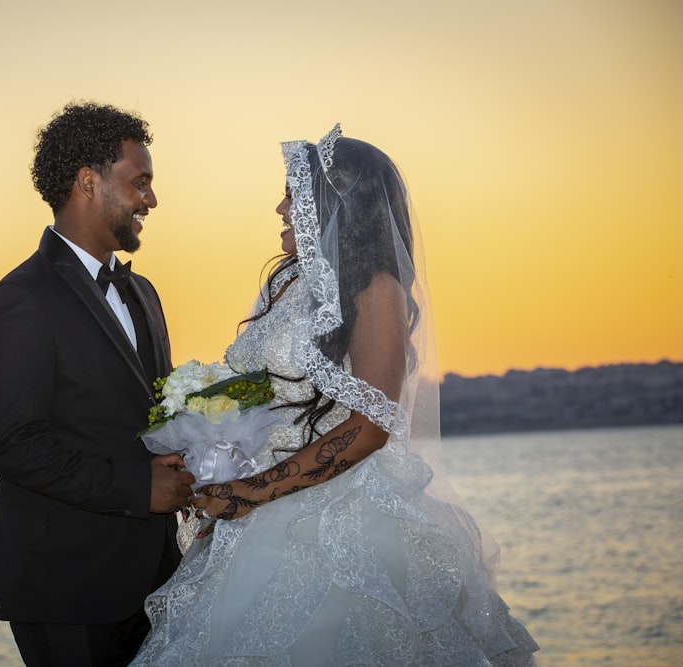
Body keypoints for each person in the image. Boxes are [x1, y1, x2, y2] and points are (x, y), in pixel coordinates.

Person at [131, 125, 540, 665]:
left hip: (336, 511)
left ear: (336, 206)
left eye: (292, 194)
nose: (280, 208)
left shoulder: (376, 289)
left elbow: (370, 426)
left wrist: (252, 492)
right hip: (253, 507)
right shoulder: (288, 282)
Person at [0, 102, 196, 667]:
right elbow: (11, 444)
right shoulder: (19, 300)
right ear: (87, 182)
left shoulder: (143, 292)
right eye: (139, 183)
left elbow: (149, 420)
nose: (151, 199)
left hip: (157, 580)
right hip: (66, 587)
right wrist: (136, 488)